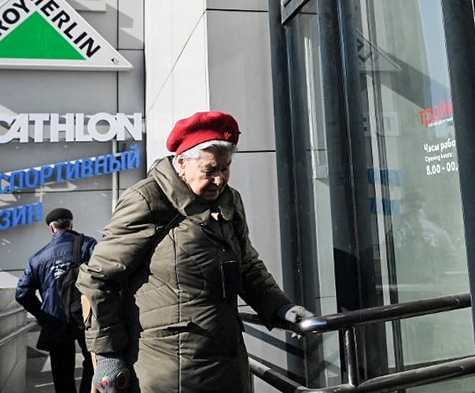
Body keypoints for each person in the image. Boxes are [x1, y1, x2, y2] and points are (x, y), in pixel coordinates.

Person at [77, 111, 314, 393]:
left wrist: (280, 307)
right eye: (210, 170)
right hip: (168, 371)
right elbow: (99, 280)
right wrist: (108, 358)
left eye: (225, 168)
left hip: (227, 362)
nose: (219, 179)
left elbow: (247, 265)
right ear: (181, 163)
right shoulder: (147, 199)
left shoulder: (230, 200)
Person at [16, 208, 97, 393]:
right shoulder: (87, 245)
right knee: (93, 363)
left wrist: (42, 315)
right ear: (71, 224)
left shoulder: (37, 258)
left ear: (52, 229)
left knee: (62, 373)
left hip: (55, 321)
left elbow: (22, 293)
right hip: (86, 316)